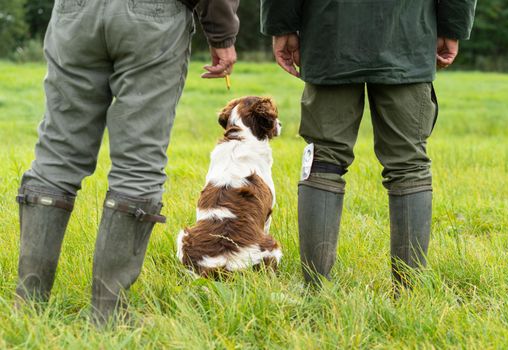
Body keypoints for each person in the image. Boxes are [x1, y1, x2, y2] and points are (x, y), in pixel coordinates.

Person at [15, 0, 238, 324]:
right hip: (152, 16)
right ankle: (108, 316)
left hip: (74, 12)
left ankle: (28, 307)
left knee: (56, 155)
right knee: (138, 163)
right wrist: (222, 33)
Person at [261, 0, 476, 289]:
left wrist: (282, 23)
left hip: (330, 30)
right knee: (408, 164)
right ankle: (409, 294)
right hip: (407, 31)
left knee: (324, 158)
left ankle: (316, 290)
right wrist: (453, 24)